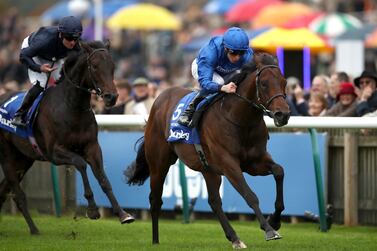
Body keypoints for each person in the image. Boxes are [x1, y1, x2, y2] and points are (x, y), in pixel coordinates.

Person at [12, 16, 82, 127]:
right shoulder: (44, 41)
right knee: (41, 84)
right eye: (69, 38)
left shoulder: (75, 43)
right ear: (61, 34)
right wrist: (38, 68)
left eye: (76, 38)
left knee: (65, 82)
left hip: (53, 56)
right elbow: (23, 56)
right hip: (34, 54)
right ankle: (19, 115)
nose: (73, 43)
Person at [178, 27, 253, 127]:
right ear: (226, 48)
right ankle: (189, 111)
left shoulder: (247, 54)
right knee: (220, 82)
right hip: (202, 68)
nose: (238, 57)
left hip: (226, 72)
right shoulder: (210, 53)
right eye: (234, 53)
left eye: (241, 53)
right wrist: (222, 88)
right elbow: (205, 82)